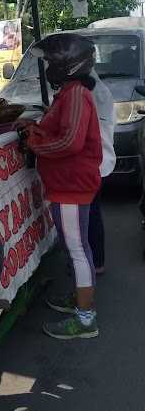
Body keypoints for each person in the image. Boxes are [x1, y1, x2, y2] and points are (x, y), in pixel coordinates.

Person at [23, 34, 102, 340]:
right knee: (76, 248)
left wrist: (34, 144)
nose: (48, 69)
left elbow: (70, 141)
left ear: (68, 65)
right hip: (67, 184)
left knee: (78, 249)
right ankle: (79, 301)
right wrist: (37, 130)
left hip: (72, 185)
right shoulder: (69, 93)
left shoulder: (76, 95)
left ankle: (85, 320)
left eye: (52, 62)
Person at [89, 71, 116, 274]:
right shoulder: (99, 90)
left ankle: (95, 263)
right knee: (93, 214)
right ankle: (97, 261)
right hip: (101, 160)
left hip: (94, 162)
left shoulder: (89, 92)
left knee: (90, 216)